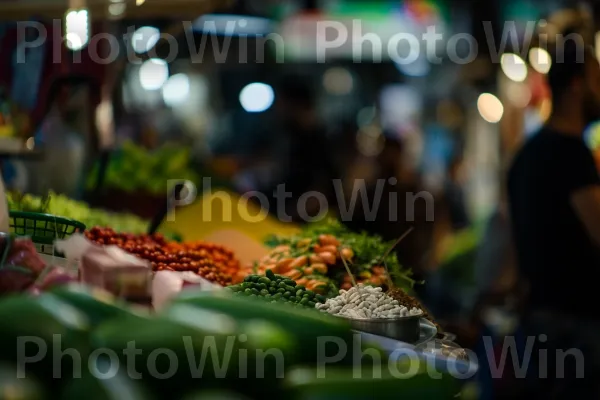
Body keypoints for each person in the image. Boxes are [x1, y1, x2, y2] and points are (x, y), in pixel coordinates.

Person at [507, 36, 600, 398]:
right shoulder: (571, 157)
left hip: (537, 323)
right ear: (576, 85)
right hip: (575, 328)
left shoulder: (525, 156)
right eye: (597, 79)